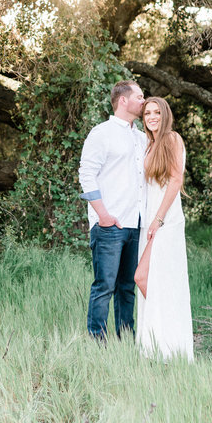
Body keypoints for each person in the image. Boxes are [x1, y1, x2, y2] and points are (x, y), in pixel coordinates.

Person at [78, 79, 147, 341]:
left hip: (135, 224)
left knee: (127, 287)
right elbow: (86, 174)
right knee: (104, 286)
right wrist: (103, 216)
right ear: (123, 100)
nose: (143, 101)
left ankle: (126, 339)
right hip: (109, 225)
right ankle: (98, 341)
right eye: (139, 97)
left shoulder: (140, 138)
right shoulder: (101, 133)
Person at [133, 96, 193, 361]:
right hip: (150, 220)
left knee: (151, 279)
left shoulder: (171, 139)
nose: (152, 117)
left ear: (165, 114)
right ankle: (156, 345)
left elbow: (175, 179)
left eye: (157, 112)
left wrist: (159, 219)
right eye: (147, 113)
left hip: (165, 220)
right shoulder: (150, 144)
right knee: (150, 280)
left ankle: (172, 345)